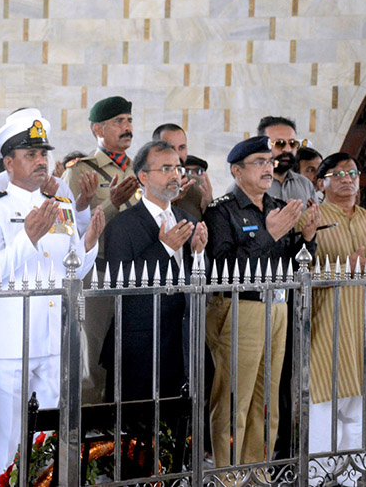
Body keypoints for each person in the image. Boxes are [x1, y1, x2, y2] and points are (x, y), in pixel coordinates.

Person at [0, 110, 104, 487]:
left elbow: (71, 272)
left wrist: (89, 244)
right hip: (10, 344)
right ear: (9, 162)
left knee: (49, 441)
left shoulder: (60, 208)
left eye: (43, 153)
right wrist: (27, 238)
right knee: (8, 443)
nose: (41, 161)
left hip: (52, 341)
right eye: (30, 154)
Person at [203, 136, 320, 468]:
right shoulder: (222, 210)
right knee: (233, 399)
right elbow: (223, 267)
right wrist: (268, 235)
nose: (269, 168)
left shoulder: (275, 207)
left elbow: (292, 263)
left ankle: (257, 472)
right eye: (259, 162)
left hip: (277, 306)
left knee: (266, 400)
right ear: (237, 171)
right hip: (241, 308)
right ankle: (227, 473)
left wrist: (308, 239)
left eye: (270, 162)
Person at [100, 141, 207, 474]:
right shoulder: (123, 225)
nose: (175, 175)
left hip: (179, 342)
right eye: (166, 169)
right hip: (138, 348)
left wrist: (200, 253)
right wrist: (162, 247)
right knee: (137, 440)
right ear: (143, 177)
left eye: (178, 168)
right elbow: (120, 286)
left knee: (176, 432)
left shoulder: (187, 217)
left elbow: (195, 281)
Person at [302, 153, 366, 486]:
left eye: (352, 172)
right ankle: (319, 478)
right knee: (328, 408)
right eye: (338, 173)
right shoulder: (310, 219)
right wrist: (347, 268)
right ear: (321, 183)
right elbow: (301, 273)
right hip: (331, 326)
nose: (347, 178)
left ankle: (354, 479)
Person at [61, 95, 140, 403]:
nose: (127, 127)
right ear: (98, 129)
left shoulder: (141, 169)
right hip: (99, 271)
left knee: (130, 354)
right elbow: (73, 229)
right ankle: (89, 438)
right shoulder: (82, 170)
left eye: (129, 120)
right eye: (118, 122)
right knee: (92, 356)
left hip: (135, 273)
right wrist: (112, 203)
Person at [152, 123, 213, 221]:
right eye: (171, 148)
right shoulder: (146, 184)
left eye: (182, 148)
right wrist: (169, 200)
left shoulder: (198, 184)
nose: (177, 154)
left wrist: (209, 206)